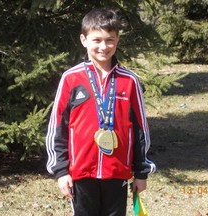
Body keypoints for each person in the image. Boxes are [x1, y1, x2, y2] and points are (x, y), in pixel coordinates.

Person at [46, 8, 156, 216]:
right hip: (81, 173)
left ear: (117, 40)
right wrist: (61, 171)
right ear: (83, 40)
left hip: (117, 172)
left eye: (109, 40)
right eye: (96, 40)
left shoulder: (129, 80)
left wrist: (141, 172)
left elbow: (141, 130)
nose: (103, 47)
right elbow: (57, 128)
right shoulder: (71, 78)